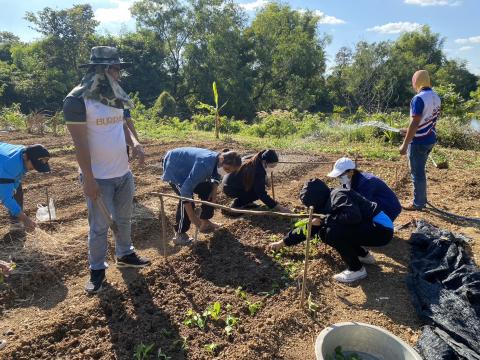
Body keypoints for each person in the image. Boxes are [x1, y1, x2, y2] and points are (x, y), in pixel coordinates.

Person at [64, 46, 150, 295]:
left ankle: (125, 254)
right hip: (98, 178)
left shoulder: (116, 96)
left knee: (123, 219)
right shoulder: (77, 100)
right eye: (115, 69)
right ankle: (97, 271)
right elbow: (79, 143)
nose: (119, 74)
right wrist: (88, 179)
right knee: (99, 227)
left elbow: (122, 125)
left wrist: (135, 143)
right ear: (101, 70)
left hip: (123, 173)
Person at [268, 179, 394, 283]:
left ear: (317, 200)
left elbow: (354, 216)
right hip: (374, 227)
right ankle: (364, 255)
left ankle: (357, 270)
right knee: (325, 232)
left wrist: (325, 220)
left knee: (331, 233)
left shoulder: (337, 195)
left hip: (381, 229)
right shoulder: (326, 199)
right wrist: (282, 242)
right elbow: (311, 228)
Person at [162, 147, 241, 245]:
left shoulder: (218, 162)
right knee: (187, 200)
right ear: (221, 159)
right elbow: (185, 191)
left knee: (208, 189)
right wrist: (193, 218)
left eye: (230, 172)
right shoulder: (204, 164)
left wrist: (214, 189)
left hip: (190, 168)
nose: (227, 172)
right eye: (226, 169)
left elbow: (217, 174)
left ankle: (205, 220)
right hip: (175, 166)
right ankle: (180, 234)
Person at [399, 70, 441, 211]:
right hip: (430, 139)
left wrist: (405, 144)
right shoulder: (436, 97)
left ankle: (418, 203)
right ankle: (421, 199)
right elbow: (426, 121)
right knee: (420, 171)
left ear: (416, 81)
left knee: (417, 173)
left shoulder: (418, 98)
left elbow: (415, 123)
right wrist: (407, 130)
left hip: (418, 142)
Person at [327, 157, 401, 221]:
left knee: (361, 220)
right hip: (378, 205)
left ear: (351, 172)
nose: (339, 178)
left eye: (340, 175)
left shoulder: (366, 182)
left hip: (389, 209)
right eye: (337, 176)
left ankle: (381, 227)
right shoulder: (348, 181)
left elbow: (364, 205)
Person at [0, 142, 51, 232]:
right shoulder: (11, 165)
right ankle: (17, 221)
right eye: (34, 165)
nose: (34, 168)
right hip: (4, 164)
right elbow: (6, 198)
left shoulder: (26, 152)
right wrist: (25, 218)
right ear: (25, 157)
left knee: (17, 190)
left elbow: (15, 179)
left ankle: (16, 223)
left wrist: (13, 188)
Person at [222, 149, 290, 212]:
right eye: (271, 166)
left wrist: (266, 178)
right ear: (265, 162)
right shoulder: (258, 172)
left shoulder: (257, 158)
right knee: (257, 193)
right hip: (230, 188)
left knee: (258, 186)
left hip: (231, 181)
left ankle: (247, 201)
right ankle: (237, 204)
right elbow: (261, 194)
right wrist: (279, 208)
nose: (272, 168)